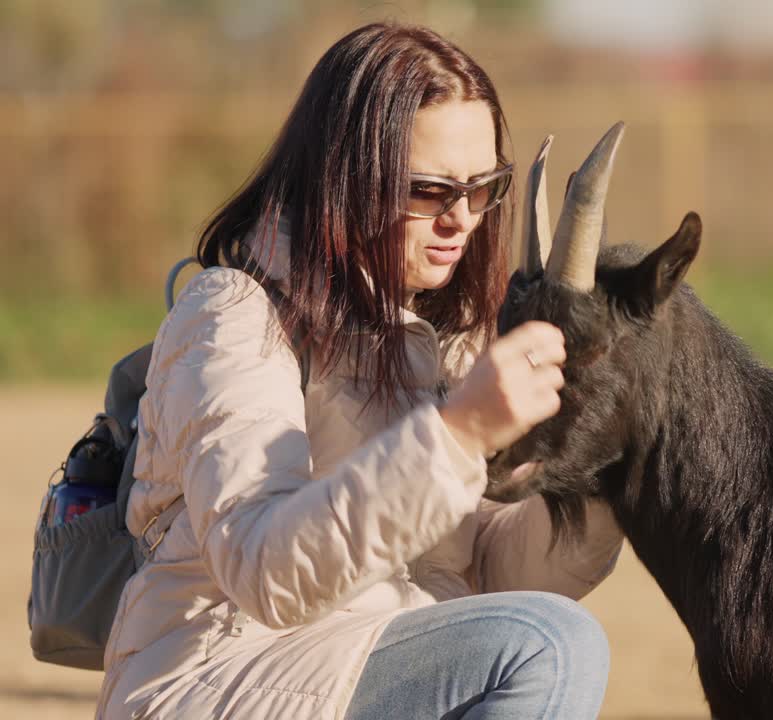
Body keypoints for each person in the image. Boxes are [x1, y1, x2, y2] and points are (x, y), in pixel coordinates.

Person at [96, 22, 624, 720]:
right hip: (216, 679)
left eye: (483, 187)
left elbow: (492, 574)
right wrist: (458, 434)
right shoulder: (231, 315)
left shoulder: (443, 332)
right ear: (344, 176)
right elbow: (265, 570)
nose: (461, 220)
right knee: (547, 644)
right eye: (430, 190)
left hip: (365, 671)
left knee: (539, 631)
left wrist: (603, 473)